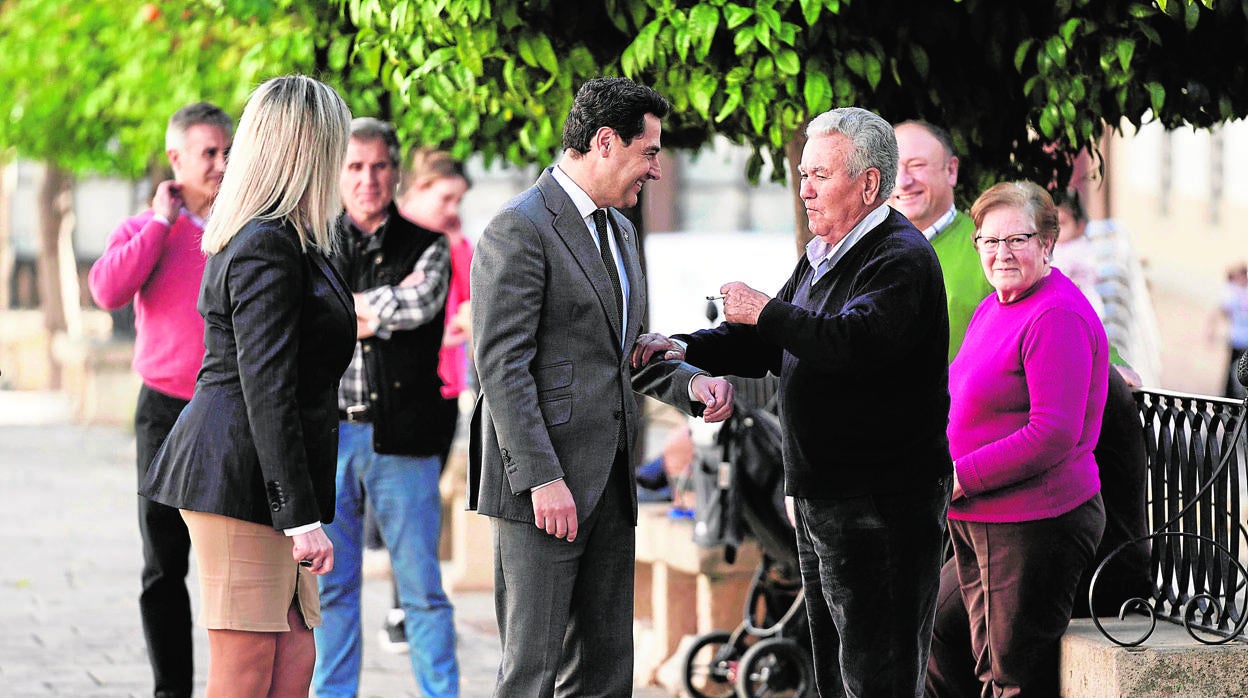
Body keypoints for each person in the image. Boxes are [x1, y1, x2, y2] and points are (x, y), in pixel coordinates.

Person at [634, 107, 954, 696]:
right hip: (822, 496)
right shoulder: (822, 253)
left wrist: (765, 309)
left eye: (820, 176)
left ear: (868, 185)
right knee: (832, 673)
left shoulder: (900, 258)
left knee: (876, 674)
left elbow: (851, 344)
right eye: (803, 174)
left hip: (880, 504)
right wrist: (681, 345)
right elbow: (767, 340)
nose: (804, 190)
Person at [469, 76, 735, 697]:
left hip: (611, 488)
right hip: (544, 491)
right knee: (532, 674)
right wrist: (541, 478)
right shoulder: (519, 229)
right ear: (605, 142)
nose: (657, 171)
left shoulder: (619, 230)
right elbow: (502, 368)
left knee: (606, 674)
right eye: (649, 153)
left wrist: (692, 386)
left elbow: (627, 357)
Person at [138, 74, 355, 698]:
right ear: (307, 150)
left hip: (267, 479)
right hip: (241, 478)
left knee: (294, 660)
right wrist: (300, 517)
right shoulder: (265, 244)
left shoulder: (295, 239)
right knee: (247, 671)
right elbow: (268, 388)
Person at [87, 101, 232, 698]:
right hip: (164, 411)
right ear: (176, 159)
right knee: (163, 563)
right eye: (209, 153)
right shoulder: (149, 229)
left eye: (228, 151)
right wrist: (158, 221)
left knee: (231, 564)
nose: (222, 163)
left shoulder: (243, 226)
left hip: (227, 411)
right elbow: (108, 289)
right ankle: (171, 690)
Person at [311, 118, 460, 698]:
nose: (367, 179)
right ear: (337, 173)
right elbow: (312, 319)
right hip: (329, 438)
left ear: (396, 173)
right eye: (354, 166)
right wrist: (367, 313)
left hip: (403, 441)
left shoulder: (429, 247)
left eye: (378, 166)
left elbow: (416, 307)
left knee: (422, 588)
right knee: (331, 590)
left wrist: (339, 311)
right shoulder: (312, 245)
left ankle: (439, 693)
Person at [944, 181, 1109, 696]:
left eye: (1017, 239)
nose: (1002, 253)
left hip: (1032, 521)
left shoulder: (1053, 314)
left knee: (1012, 676)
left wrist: (959, 476)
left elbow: (1052, 434)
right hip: (978, 514)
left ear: (1047, 243)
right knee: (939, 634)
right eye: (989, 242)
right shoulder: (996, 305)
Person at [926, 366, 1151, 696]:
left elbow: (1043, 441)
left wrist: (959, 478)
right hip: (1024, 538)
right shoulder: (1036, 344)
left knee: (936, 622)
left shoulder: (1060, 358)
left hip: (1086, 561)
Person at [371, 147, 474, 654]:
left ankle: (408, 606)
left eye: (459, 198)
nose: (453, 208)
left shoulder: (456, 244)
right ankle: (403, 608)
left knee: (421, 503)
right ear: (415, 192)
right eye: (446, 197)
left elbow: (475, 303)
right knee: (400, 503)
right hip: (393, 392)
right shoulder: (389, 241)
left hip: (445, 386)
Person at [890, 120, 995, 362]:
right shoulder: (859, 251)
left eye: (916, 166)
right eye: (890, 168)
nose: (902, 181)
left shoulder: (992, 249)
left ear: (951, 171)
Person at [1212, 261, 1248, 399]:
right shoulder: (1232, 292)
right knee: (1233, 367)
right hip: (1237, 337)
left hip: (1244, 338)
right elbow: (1221, 311)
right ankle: (1229, 395)